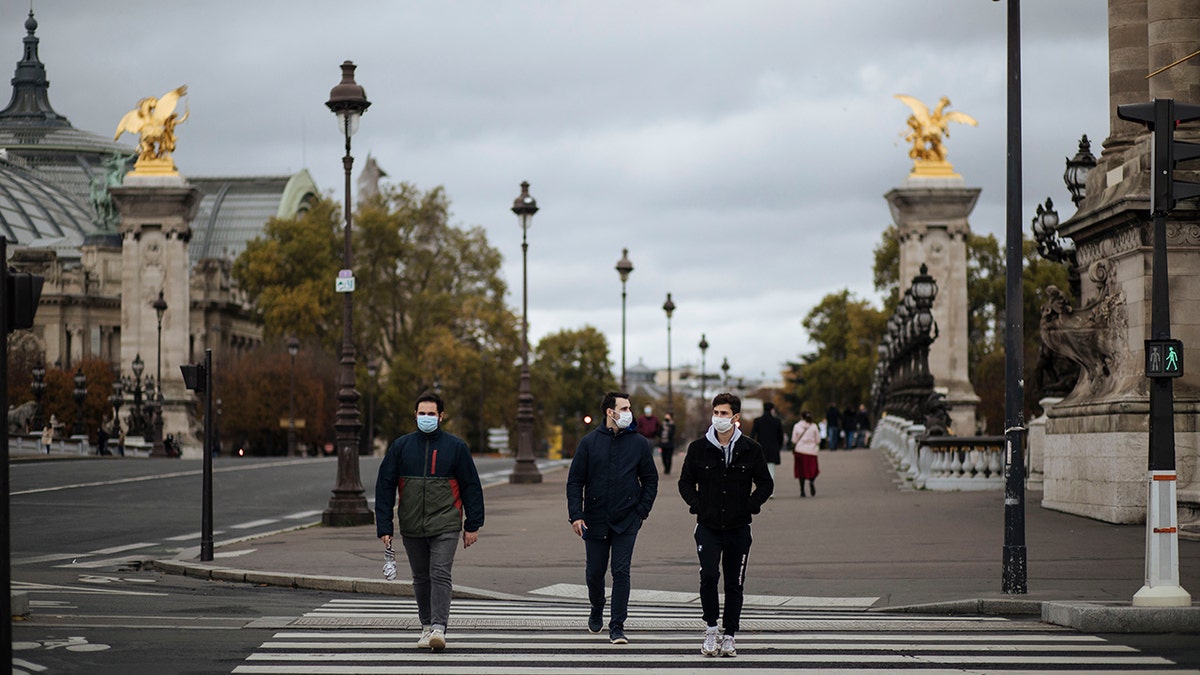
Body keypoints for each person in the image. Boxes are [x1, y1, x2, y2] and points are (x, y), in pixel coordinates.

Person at [375, 391, 485, 652]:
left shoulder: (456, 447)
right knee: (421, 578)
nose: (426, 417)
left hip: (446, 523)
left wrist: (473, 525)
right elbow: (385, 486)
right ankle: (426, 626)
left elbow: (471, 486)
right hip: (412, 525)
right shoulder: (401, 447)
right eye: (422, 413)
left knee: (439, 573)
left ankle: (438, 627)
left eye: (431, 414)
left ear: (441, 416)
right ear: (415, 415)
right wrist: (385, 527)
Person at [678, 393, 773, 658]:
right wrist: (698, 505)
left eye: (724, 413)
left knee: (734, 583)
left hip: (739, 527)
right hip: (707, 526)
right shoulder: (699, 448)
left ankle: (729, 635)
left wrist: (750, 505)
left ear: (736, 418)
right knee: (708, 576)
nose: (719, 417)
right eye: (716, 412)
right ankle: (711, 628)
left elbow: (766, 483)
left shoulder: (751, 449)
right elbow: (685, 482)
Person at [567, 391, 659, 645]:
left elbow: (650, 479)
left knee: (621, 571)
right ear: (610, 412)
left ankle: (617, 626)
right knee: (595, 573)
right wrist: (576, 515)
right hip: (595, 519)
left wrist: (641, 511)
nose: (630, 412)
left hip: (627, 519)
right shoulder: (589, 443)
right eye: (625, 408)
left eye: (630, 408)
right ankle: (597, 606)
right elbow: (575, 481)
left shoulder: (639, 443)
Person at [750, 402, 784, 486]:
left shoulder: (757, 421)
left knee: (760, 470)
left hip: (760, 448)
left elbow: (752, 435)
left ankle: (761, 489)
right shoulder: (777, 421)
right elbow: (781, 437)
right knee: (771, 470)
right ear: (772, 410)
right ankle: (770, 491)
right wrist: (778, 447)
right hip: (773, 449)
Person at [790, 410, 821, 497]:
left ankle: (802, 490)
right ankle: (811, 481)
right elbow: (818, 440)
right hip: (811, 451)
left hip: (800, 450)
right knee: (812, 469)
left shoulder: (796, 426)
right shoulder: (814, 426)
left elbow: (793, 439)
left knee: (801, 471)